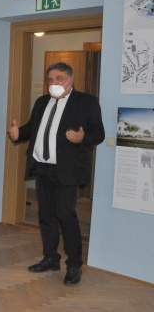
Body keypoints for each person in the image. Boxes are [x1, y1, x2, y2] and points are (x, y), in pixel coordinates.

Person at [7, 62, 104, 286]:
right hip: (43, 168)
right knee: (46, 216)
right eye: (50, 79)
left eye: (59, 78)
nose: (54, 83)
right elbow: (32, 128)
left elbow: (98, 133)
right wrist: (18, 133)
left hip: (67, 170)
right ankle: (50, 258)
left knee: (66, 215)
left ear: (70, 79)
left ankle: (74, 264)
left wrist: (82, 138)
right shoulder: (42, 102)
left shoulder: (86, 102)